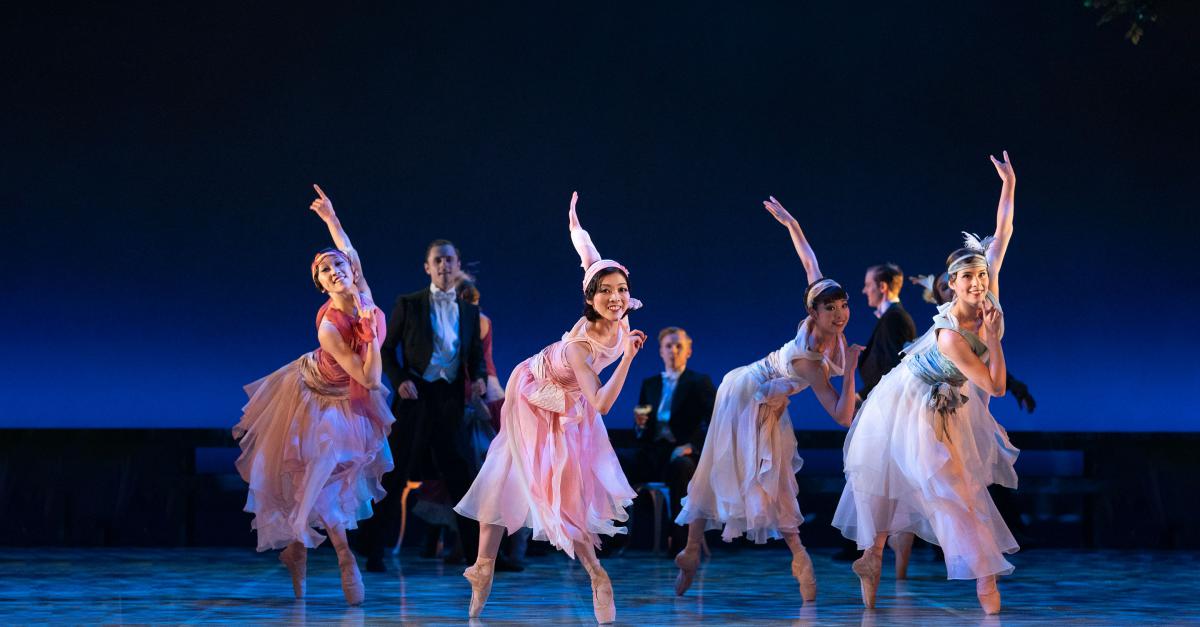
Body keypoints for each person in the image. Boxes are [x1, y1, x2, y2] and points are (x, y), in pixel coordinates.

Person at [833, 151, 1019, 615]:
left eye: (981, 275)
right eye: (968, 278)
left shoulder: (989, 289)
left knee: (956, 490)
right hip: (909, 400)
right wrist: (994, 339)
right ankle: (880, 560)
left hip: (949, 400)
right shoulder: (950, 336)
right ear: (951, 285)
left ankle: (886, 560)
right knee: (925, 486)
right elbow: (996, 387)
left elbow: (1003, 232)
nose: (978, 283)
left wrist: (1009, 185)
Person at [454, 192, 646, 624]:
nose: (616, 297)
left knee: (564, 490)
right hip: (534, 391)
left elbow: (589, 256)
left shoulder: (620, 317)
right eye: (606, 292)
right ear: (590, 299)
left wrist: (576, 225)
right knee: (515, 474)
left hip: (572, 401)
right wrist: (628, 359)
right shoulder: (581, 346)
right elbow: (600, 403)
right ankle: (486, 566)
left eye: (622, 290)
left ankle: (592, 573)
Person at [673, 196, 864, 604]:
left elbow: (810, 263)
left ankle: (793, 557)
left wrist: (793, 224)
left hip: (769, 401)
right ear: (814, 313)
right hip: (747, 393)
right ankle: (695, 550)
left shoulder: (828, 327)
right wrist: (851, 371)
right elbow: (842, 415)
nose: (840, 314)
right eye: (831, 308)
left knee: (773, 481)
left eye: (843, 305)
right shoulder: (809, 359)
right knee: (730, 469)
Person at [233, 185, 393, 606]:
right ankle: (342, 557)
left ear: (352, 270)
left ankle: (299, 550)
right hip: (313, 397)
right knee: (317, 471)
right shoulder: (329, 326)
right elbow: (368, 378)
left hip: (350, 400)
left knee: (330, 480)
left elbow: (348, 246)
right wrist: (367, 334)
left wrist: (330, 217)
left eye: (338, 264)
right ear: (320, 285)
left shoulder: (363, 292)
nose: (335, 270)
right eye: (325, 270)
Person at [360, 238, 492, 573]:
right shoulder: (409, 303)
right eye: (438, 260)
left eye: (449, 260)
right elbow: (386, 349)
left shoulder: (469, 311)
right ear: (427, 267)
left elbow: (475, 356)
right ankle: (374, 550)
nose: (444, 265)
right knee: (395, 474)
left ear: (457, 265)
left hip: (449, 401)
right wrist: (400, 379)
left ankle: (478, 556)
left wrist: (478, 378)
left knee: (462, 476)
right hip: (416, 397)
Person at [629, 327, 717, 556]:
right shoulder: (650, 384)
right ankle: (611, 539)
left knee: (681, 469)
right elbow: (643, 428)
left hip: (682, 452)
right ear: (661, 351)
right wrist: (640, 425)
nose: (673, 350)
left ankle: (680, 544)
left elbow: (715, 422)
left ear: (688, 351)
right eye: (668, 346)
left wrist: (691, 447)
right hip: (654, 452)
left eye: (679, 346)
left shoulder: (699, 382)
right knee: (616, 465)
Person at [911, 272, 1036, 412]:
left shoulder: (980, 321)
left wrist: (1019, 390)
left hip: (959, 401)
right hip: (924, 398)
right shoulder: (948, 333)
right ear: (940, 302)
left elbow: (992, 366)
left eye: (956, 281)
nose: (953, 288)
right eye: (945, 287)